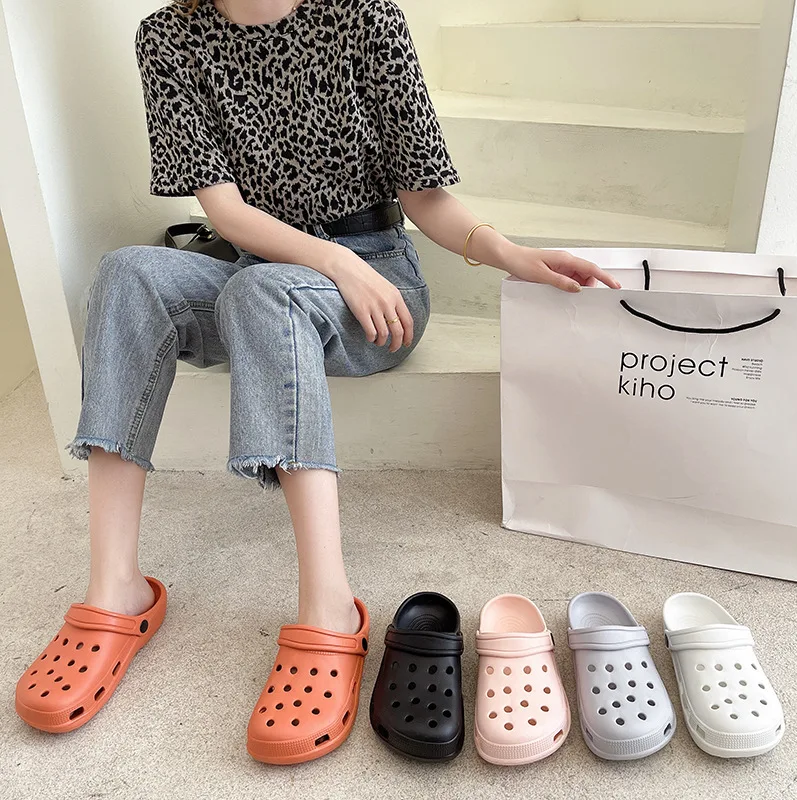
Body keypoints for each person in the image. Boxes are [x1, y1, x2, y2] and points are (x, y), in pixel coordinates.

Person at [14, 0, 619, 763]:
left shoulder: (364, 17)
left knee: (263, 292)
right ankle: (115, 590)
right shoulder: (168, 37)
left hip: (378, 285)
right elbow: (226, 212)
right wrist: (327, 259)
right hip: (260, 267)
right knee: (128, 273)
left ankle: (330, 607)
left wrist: (513, 256)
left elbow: (425, 198)